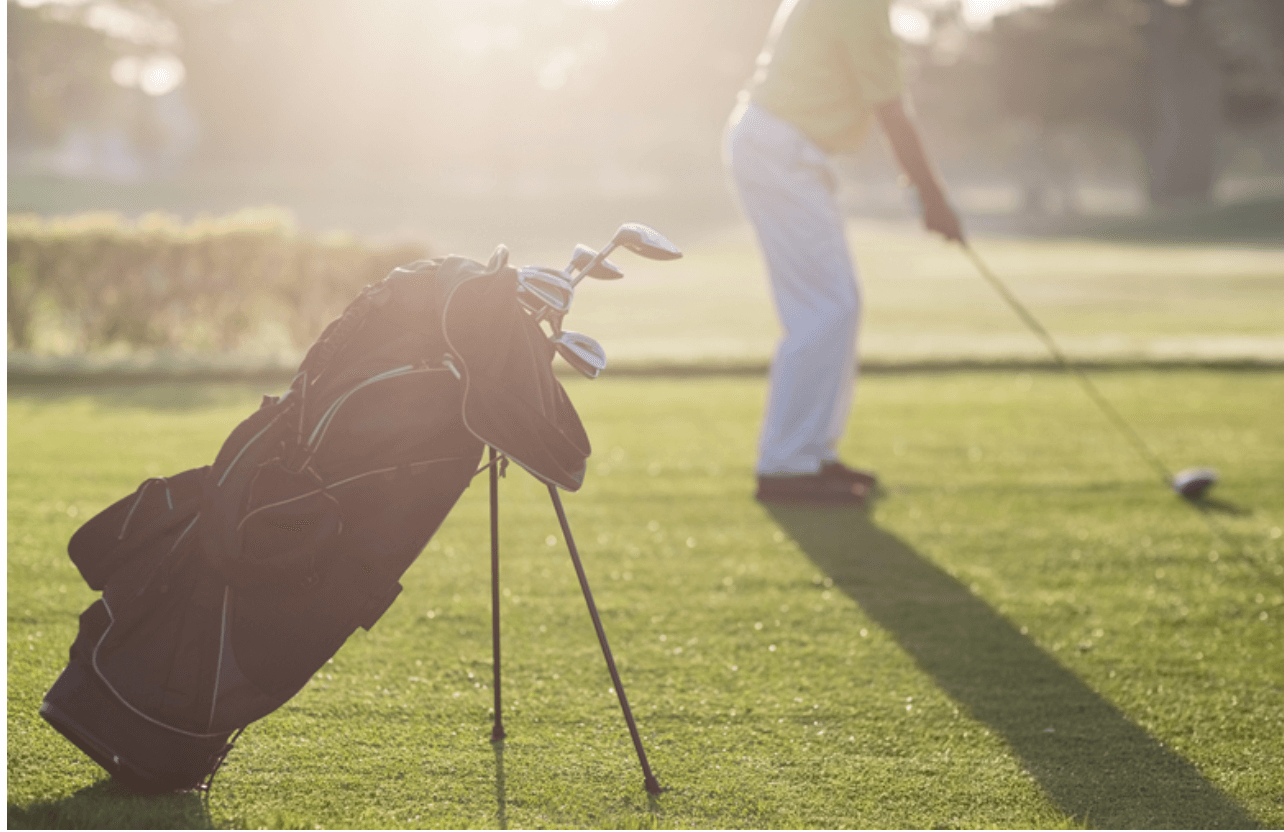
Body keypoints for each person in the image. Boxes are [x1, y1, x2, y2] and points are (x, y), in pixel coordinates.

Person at [725, 0, 964, 506]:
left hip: (781, 147)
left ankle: (809, 457)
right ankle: (787, 468)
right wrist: (932, 195)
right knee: (826, 308)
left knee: (836, 305)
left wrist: (928, 194)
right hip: (782, 150)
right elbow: (891, 110)